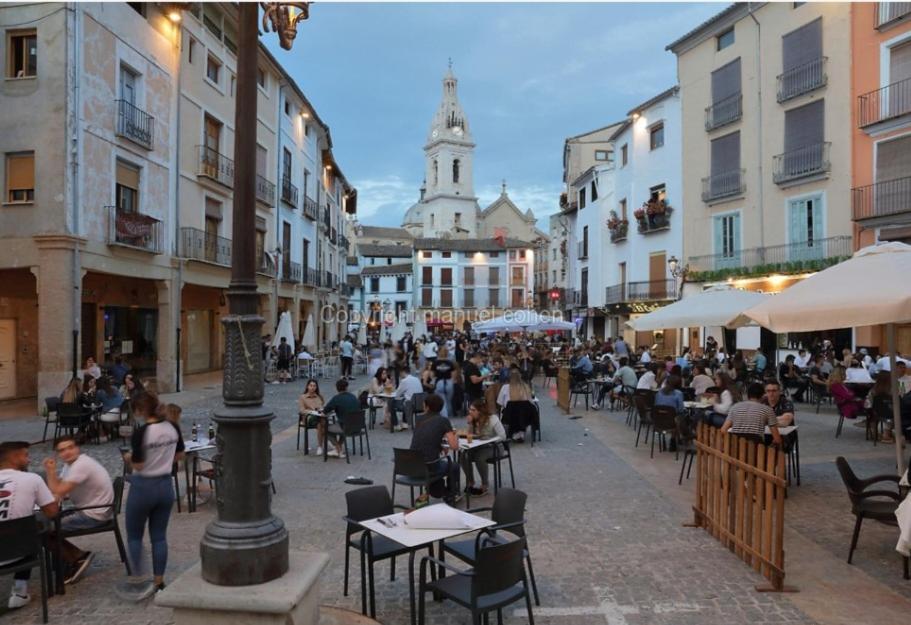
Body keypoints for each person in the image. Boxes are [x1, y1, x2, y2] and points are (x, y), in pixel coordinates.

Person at [120, 393, 184, 600]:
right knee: (159, 536)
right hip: (165, 485)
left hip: (143, 486)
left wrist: (129, 457)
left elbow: (138, 464)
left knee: (135, 535)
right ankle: (159, 581)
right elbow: (179, 456)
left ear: (139, 411)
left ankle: (137, 579)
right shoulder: (172, 427)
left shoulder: (142, 432)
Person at [42, 435, 114, 584]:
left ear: (77, 448)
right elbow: (58, 490)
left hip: (94, 514)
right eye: (62, 450)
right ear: (57, 454)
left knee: (45, 530)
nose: (67, 452)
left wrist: (50, 471)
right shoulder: (70, 465)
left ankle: (76, 557)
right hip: (88, 510)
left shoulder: (82, 465)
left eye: (70, 447)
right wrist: (56, 489)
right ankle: (70, 558)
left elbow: (58, 490)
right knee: (48, 523)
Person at [1, 441, 59, 610]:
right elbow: (52, 512)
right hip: (21, 552)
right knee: (33, 533)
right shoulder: (32, 479)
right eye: (26, 455)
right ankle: (19, 592)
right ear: (14, 457)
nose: (29, 460)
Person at [408, 394, 460, 505]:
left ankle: (438, 490)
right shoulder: (443, 421)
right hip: (429, 467)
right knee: (454, 466)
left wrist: (440, 445)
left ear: (427, 407)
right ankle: (451, 495)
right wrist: (455, 434)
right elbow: (454, 446)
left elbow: (425, 439)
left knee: (436, 463)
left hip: (411, 466)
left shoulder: (419, 419)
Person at [460, 399, 507, 496]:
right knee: (463, 454)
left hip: (495, 446)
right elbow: (470, 435)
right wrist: (470, 424)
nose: (470, 412)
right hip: (479, 446)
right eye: (470, 410)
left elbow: (503, 436)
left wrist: (488, 439)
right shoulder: (474, 420)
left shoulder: (493, 419)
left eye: (473, 410)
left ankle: (484, 485)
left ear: (480, 411)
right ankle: (470, 482)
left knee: (479, 457)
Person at [322, 378, 361, 458]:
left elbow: (325, 411)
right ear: (347, 387)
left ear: (337, 388)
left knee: (325, 428)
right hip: (358, 426)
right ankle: (339, 447)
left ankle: (338, 447)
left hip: (346, 427)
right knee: (343, 423)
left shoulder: (337, 398)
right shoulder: (353, 397)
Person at [298, 379, 326, 453]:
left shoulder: (319, 396)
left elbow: (323, 406)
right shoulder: (303, 397)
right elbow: (301, 410)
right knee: (323, 422)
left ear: (316, 387)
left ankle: (320, 446)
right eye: (311, 385)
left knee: (320, 423)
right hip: (308, 417)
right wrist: (311, 411)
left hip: (319, 417)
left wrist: (321, 410)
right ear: (307, 386)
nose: (312, 387)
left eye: (314, 386)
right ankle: (330, 441)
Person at [392, 364, 422, 432]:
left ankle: (396, 425)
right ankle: (404, 423)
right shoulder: (417, 379)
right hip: (419, 404)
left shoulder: (404, 381)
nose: (399, 375)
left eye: (400, 373)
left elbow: (397, 394)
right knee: (406, 399)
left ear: (402, 372)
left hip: (410, 405)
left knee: (392, 403)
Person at [432, 347, 456, 418]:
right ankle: (449, 415)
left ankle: (444, 416)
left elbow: (432, 375)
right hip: (449, 382)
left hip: (439, 382)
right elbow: (453, 375)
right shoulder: (450, 363)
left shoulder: (435, 363)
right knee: (448, 401)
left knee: (441, 400)